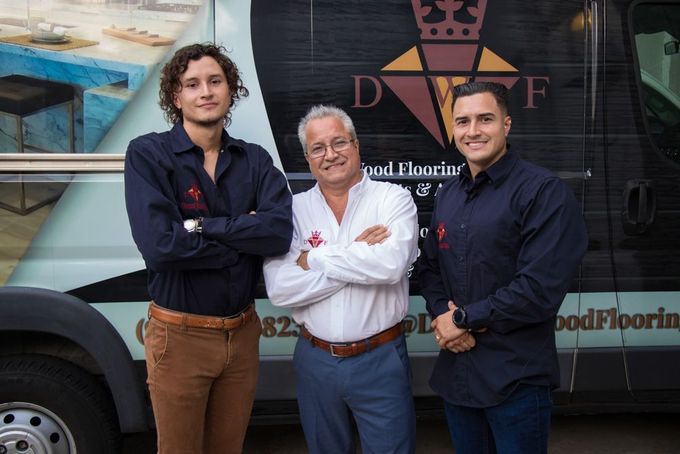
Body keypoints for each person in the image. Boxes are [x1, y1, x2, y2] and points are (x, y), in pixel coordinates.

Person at [124, 43, 293, 453]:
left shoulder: (254, 160)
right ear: (176, 96)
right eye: (193, 84)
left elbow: (277, 233)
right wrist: (240, 241)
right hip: (180, 337)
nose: (206, 92)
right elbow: (160, 246)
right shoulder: (149, 154)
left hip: (242, 335)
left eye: (215, 81)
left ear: (230, 90)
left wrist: (200, 227)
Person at [418, 82, 588, 454]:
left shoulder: (543, 193)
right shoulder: (448, 193)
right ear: (452, 129)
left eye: (485, 119)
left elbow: (538, 292)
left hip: (516, 379)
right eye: (462, 121)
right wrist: (443, 314)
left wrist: (461, 318)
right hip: (458, 374)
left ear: (506, 124)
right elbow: (429, 268)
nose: (473, 130)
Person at [263, 105, 419, 454]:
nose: (330, 154)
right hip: (314, 360)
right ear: (307, 157)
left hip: (380, 359)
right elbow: (280, 288)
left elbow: (391, 265)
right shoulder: (292, 210)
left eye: (339, 143)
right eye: (318, 148)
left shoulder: (393, 199)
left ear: (356, 145)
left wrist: (312, 258)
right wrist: (356, 254)